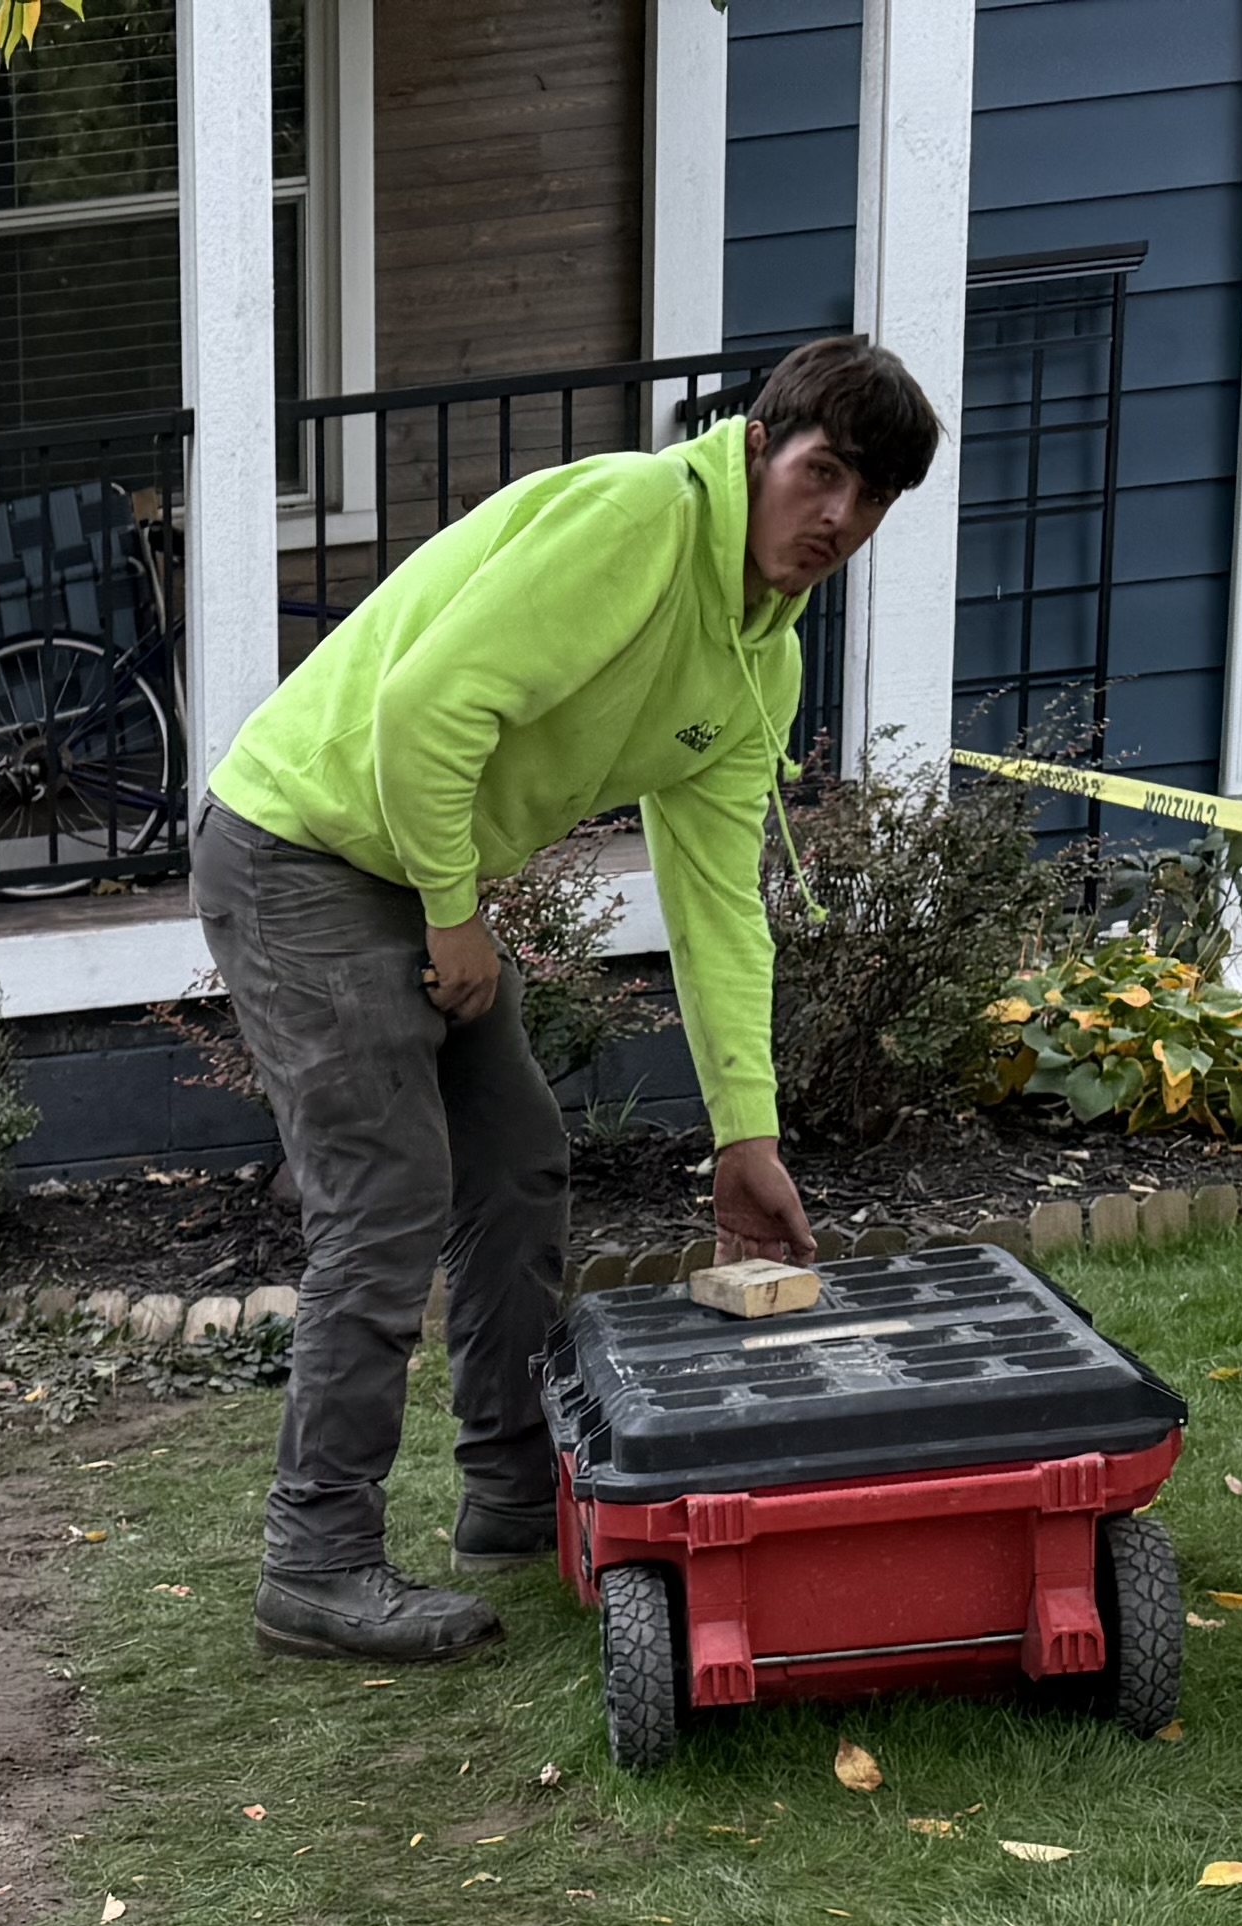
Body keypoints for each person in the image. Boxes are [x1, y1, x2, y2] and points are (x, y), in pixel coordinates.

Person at [190, 333, 938, 1665]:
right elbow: (426, 708)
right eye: (824, 475)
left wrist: (744, 1139)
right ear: (760, 447)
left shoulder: (758, 662)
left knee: (518, 1158)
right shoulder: (637, 522)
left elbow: (714, 906)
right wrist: (453, 914)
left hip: (403, 870)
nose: (838, 520)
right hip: (301, 845)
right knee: (389, 1194)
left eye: (871, 501)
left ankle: (506, 1491)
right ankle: (316, 1558)